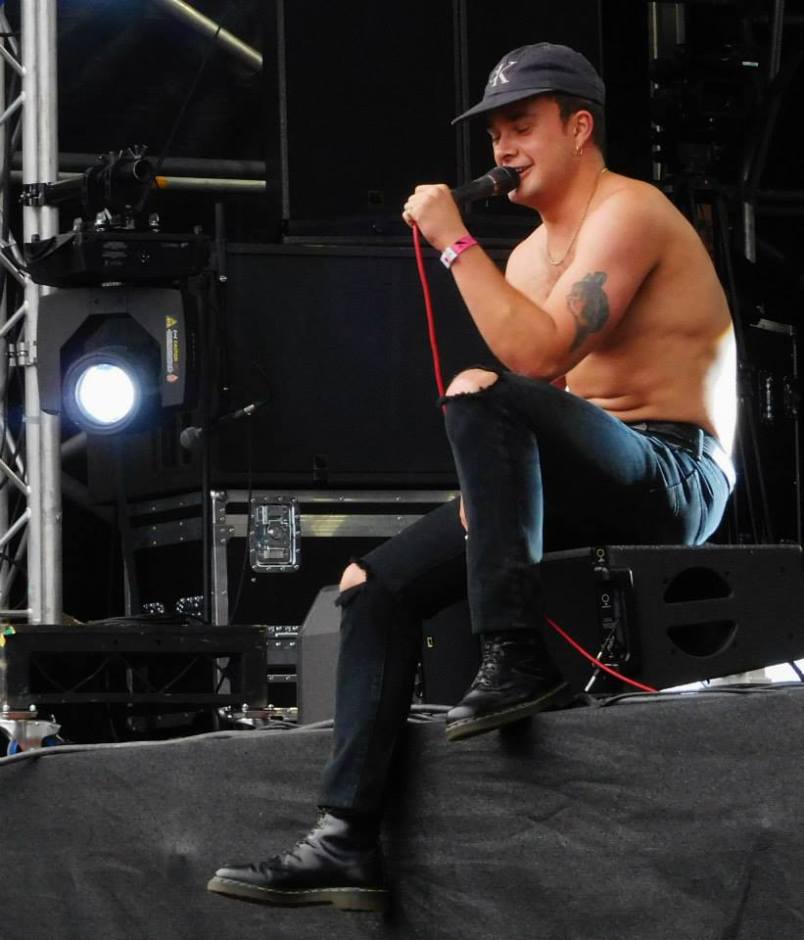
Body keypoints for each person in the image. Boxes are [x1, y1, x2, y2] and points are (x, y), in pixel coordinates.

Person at [207, 42, 736, 913]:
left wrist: (454, 241)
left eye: (521, 126)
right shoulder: (524, 261)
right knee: (372, 587)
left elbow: (536, 357)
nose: (502, 149)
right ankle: (344, 840)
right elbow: (535, 417)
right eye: (493, 134)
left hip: (675, 474)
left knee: (480, 387)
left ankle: (515, 657)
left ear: (579, 127)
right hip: (590, 473)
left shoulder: (631, 211)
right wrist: (459, 521)